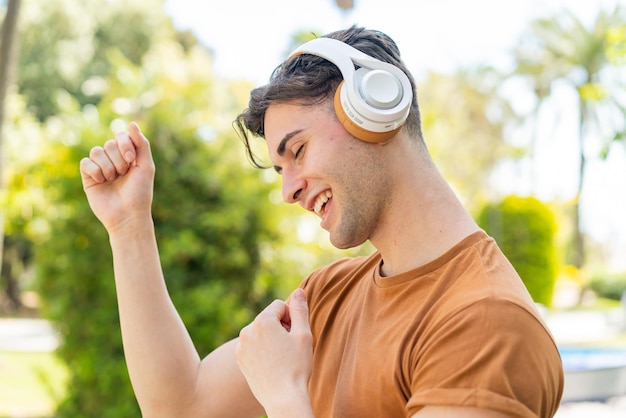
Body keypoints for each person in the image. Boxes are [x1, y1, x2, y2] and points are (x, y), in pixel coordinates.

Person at [80, 26, 563, 418]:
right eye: (279, 168)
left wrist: (286, 398)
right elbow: (180, 406)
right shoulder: (328, 295)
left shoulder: (485, 323)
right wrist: (129, 227)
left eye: (298, 150)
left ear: (375, 108)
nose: (288, 190)